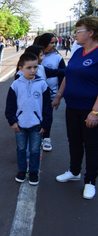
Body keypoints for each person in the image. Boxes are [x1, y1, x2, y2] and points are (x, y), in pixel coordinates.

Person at [53, 17, 98, 200]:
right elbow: (68, 76)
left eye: (78, 31)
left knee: (92, 146)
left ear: (91, 32)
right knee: (74, 141)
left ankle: (90, 181)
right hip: (72, 107)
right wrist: (58, 96)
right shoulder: (78, 52)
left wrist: (95, 112)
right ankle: (74, 171)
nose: (75, 35)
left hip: (90, 110)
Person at [5, 53, 52, 185]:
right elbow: (10, 106)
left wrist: (45, 124)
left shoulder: (42, 84)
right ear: (21, 68)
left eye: (35, 67)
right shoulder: (16, 85)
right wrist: (12, 121)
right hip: (20, 125)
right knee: (21, 149)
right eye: (29, 68)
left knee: (35, 150)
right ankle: (21, 171)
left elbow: (47, 107)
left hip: (36, 125)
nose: (32, 71)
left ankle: (33, 172)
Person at [36, 33, 66, 152]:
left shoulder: (57, 58)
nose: (54, 45)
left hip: (51, 94)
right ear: (44, 43)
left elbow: (63, 75)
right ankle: (35, 137)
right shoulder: (35, 54)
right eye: (51, 43)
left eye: (55, 42)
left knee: (47, 116)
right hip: (35, 94)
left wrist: (59, 94)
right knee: (35, 115)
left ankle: (46, 138)